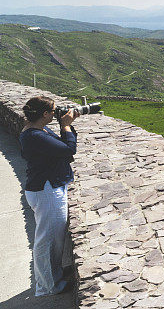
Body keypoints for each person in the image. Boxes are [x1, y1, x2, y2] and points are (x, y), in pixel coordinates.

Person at [18, 96, 79, 296]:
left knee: (54, 238)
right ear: (44, 114)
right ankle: (49, 286)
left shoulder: (38, 130)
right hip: (46, 191)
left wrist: (67, 126)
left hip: (47, 188)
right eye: (53, 111)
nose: (56, 113)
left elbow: (64, 148)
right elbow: (69, 149)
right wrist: (66, 125)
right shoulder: (35, 136)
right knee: (48, 240)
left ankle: (54, 274)